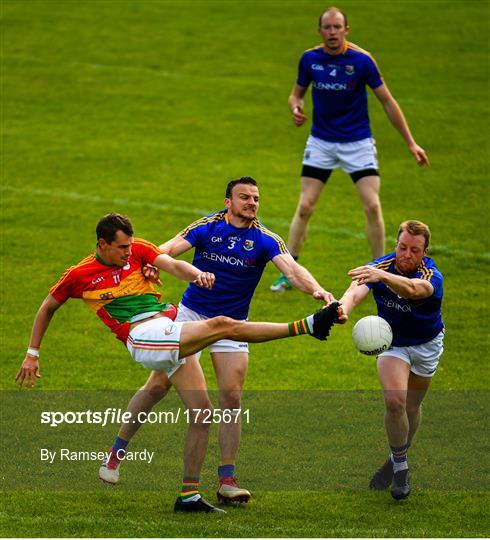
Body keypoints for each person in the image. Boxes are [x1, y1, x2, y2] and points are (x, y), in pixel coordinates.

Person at [15, 212, 340, 513]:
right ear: (102, 244)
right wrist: (33, 354)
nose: (130, 252)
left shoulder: (140, 249)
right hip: (142, 337)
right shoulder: (79, 274)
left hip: (170, 326)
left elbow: (171, 263)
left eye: (131, 245)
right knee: (221, 325)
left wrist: (197, 274)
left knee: (202, 411)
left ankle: (188, 495)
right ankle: (308, 326)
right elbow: (47, 307)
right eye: (122, 247)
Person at [100, 177, 336, 504]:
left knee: (232, 397)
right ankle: (116, 452)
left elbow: (293, 270)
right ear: (228, 201)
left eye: (256, 198)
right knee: (156, 387)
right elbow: (167, 249)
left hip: (234, 324)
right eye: (244, 197)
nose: (252, 203)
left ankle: (227, 480)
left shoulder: (265, 239)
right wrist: (154, 266)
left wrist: (318, 291)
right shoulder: (208, 226)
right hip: (191, 317)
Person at [271, 6, 430, 292]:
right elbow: (296, 93)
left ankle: (379, 271)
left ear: (346, 30)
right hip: (321, 142)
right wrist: (296, 106)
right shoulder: (310, 59)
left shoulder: (362, 61)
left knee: (372, 205)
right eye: (327, 28)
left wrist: (410, 142)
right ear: (320, 31)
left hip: (358, 143)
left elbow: (387, 102)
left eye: (337, 27)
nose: (332, 33)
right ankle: (290, 271)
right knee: (305, 205)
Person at [336, 220, 444, 500]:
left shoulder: (431, 275)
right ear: (395, 244)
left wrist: (382, 277)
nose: (406, 254)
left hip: (427, 345)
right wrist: (344, 309)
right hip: (392, 344)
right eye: (402, 247)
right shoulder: (381, 267)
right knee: (395, 402)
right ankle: (401, 467)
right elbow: (355, 291)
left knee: (412, 408)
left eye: (414, 250)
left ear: (425, 252)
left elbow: (413, 290)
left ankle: (395, 456)